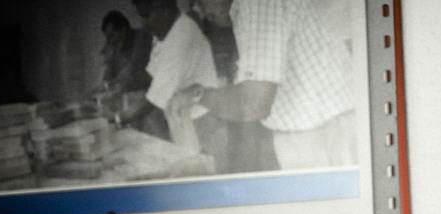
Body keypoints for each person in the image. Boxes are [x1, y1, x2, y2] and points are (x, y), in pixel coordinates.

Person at [178, 0, 356, 170]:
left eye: (199, 1)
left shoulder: (258, 5)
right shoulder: (248, 10)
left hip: (327, 136)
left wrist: (197, 95)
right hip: (319, 131)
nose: (199, 10)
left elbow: (254, 103)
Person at [125, 0, 219, 148]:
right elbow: (150, 74)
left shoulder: (181, 35)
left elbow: (154, 99)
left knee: (197, 160)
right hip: (184, 115)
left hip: (202, 119)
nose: (145, 24)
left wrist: (118, 118)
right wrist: (120, 86)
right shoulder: (165, 32)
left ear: (164, 10)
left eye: (147, 16)